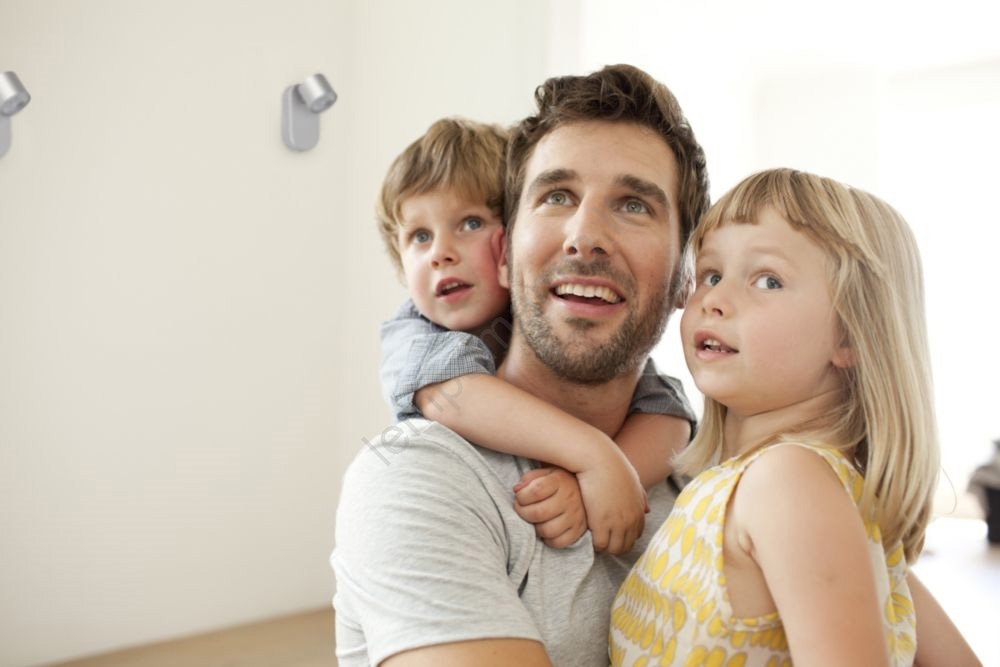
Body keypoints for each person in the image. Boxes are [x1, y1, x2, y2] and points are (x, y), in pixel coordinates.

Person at [331, 63, 710, 666]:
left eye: (634, 205)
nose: (584, 236)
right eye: (557, 196)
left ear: (687, 275)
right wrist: (593, 457)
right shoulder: (420, 476)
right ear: (505, 256)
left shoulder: (712, 474)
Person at [608, 168, 974, 666]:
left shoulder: (787, 483)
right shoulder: (779, 487)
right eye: (711, 275)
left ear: (851, 335)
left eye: (768, 280)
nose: (714, 300)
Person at [375, 116, 695, 554]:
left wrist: (604, 482)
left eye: (470, 224)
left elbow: (670, 413)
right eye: (419, 236)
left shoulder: (554, 310)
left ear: (509, 243)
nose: (440, 254)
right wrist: (593, 455)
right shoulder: (414, 333)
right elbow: (449, 395)